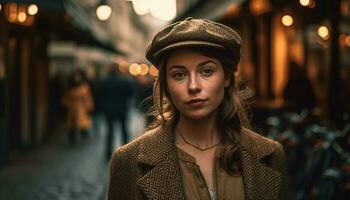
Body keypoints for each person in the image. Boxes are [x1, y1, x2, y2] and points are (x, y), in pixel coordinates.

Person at [107, 17, 287, 200]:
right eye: (179, 74)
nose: (193, 86)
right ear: (166, 85)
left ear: (226, 78)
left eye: (206, 71)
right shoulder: (128, 161)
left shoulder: (270, 154)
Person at [98, 63, 135, 159]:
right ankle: (126, 151)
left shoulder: (104, 81)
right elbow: (130, 93)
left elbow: (99, 96)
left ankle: (108, 153)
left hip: (109, 110)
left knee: (110, 132)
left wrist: (103, 107)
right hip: (122, 109)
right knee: (124, 130)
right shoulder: (124, 81)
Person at [62, 70, 94, 144]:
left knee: (82, 124)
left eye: (78, 77)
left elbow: (88, 98)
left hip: (81, 108)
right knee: (71, 125)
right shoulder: (70, 88)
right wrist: (67, 105)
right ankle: (72, 138)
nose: (77, 78)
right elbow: (65, 98)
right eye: (75, 77)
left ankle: (84, 136)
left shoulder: (84, 87)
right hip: (72, 108)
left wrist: (89, 107)